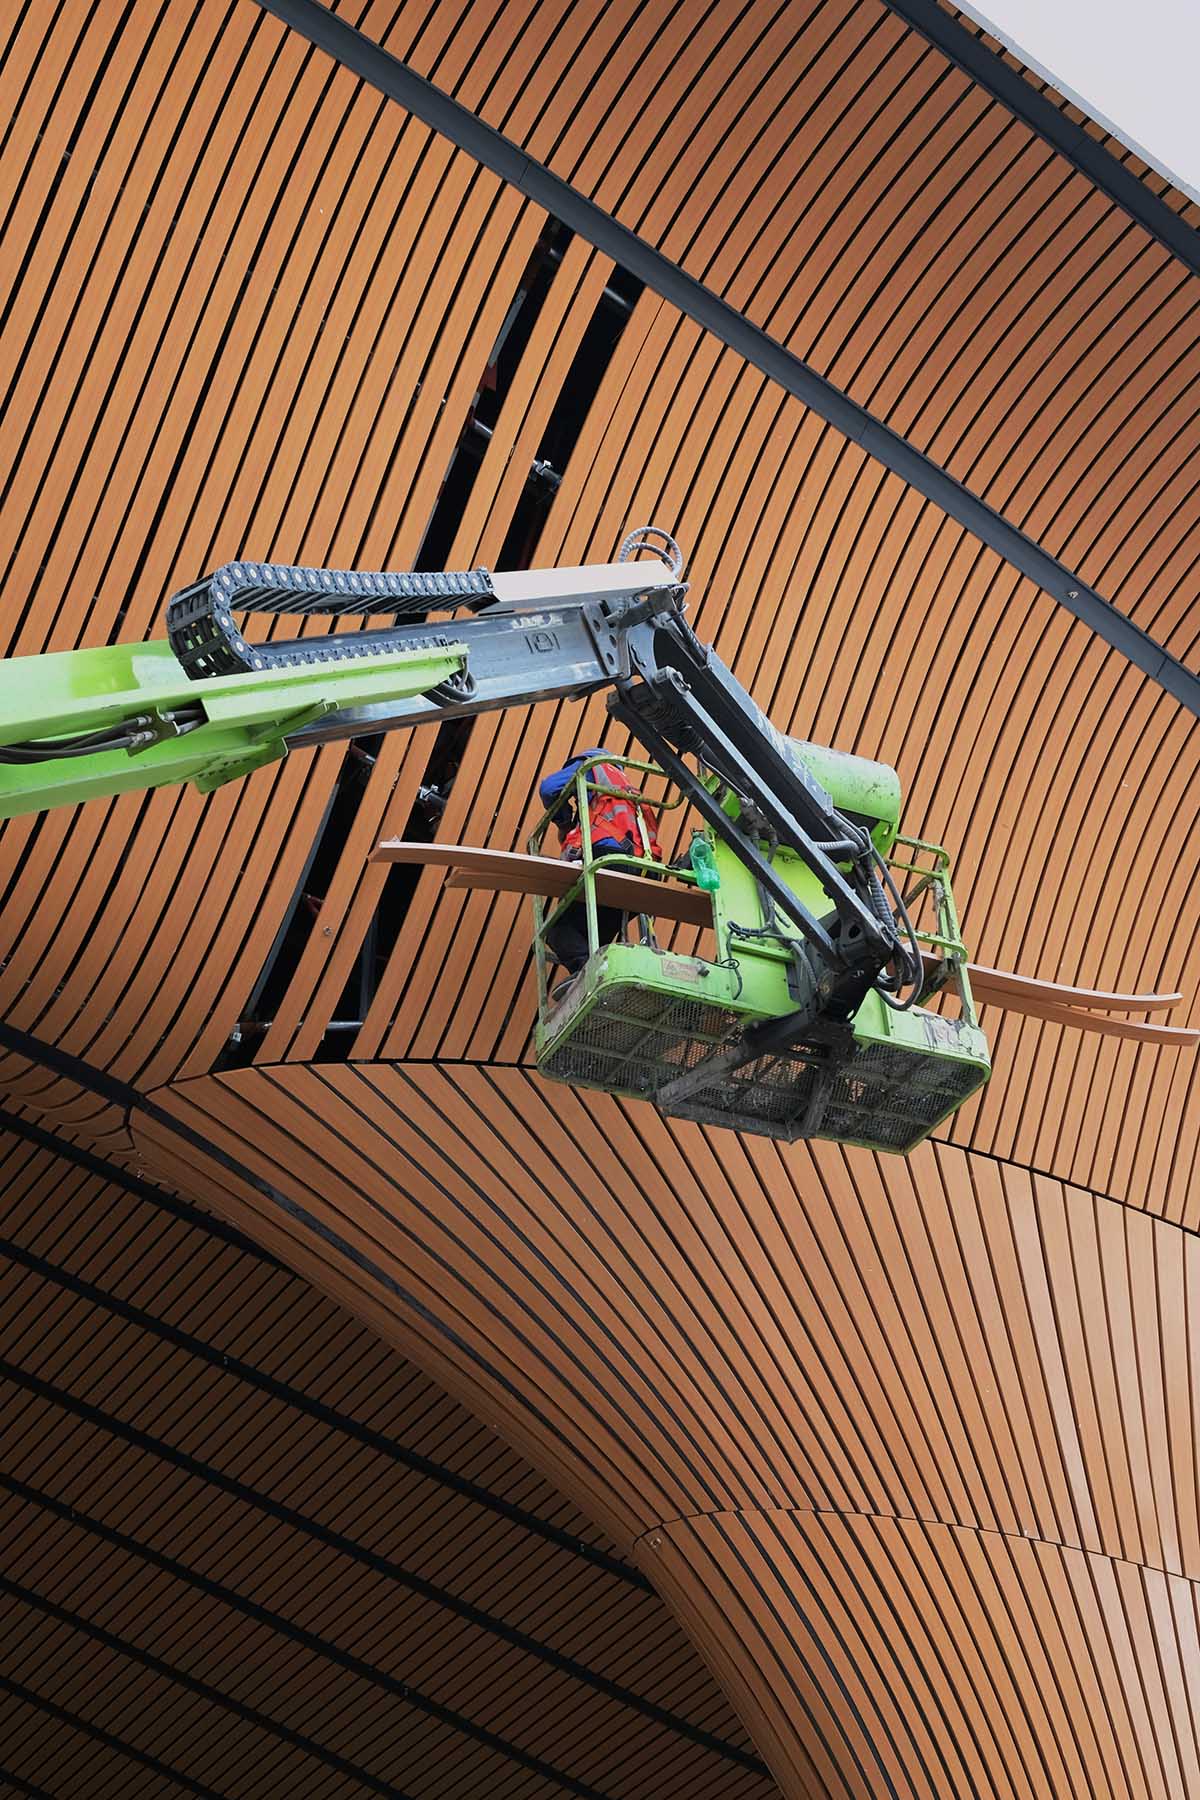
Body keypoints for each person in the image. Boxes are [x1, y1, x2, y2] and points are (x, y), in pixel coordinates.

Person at [538, 749, 662, 985]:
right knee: (594, 939)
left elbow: (550, 788)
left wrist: (564, 821)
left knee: (557, 930)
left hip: (613, 863)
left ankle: (592, 976)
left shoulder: (593, 766)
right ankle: (603, 974)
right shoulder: (633, 797)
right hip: (648, 874)